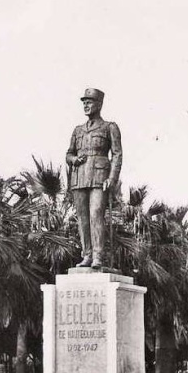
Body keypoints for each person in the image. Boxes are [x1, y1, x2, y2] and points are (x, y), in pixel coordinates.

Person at [66, 88, 122, 269]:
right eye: (84, 102)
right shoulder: (78, 130)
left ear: (99, 104)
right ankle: (87, 255)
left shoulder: (109, 127)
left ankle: (98, 255)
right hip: (80, 177)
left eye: (89, 102)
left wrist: (112, 179)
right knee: (82, 217)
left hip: (99, 177)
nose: (86, 105)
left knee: (96, 213)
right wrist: (74, 159)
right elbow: (69, 154)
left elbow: (117, 154)